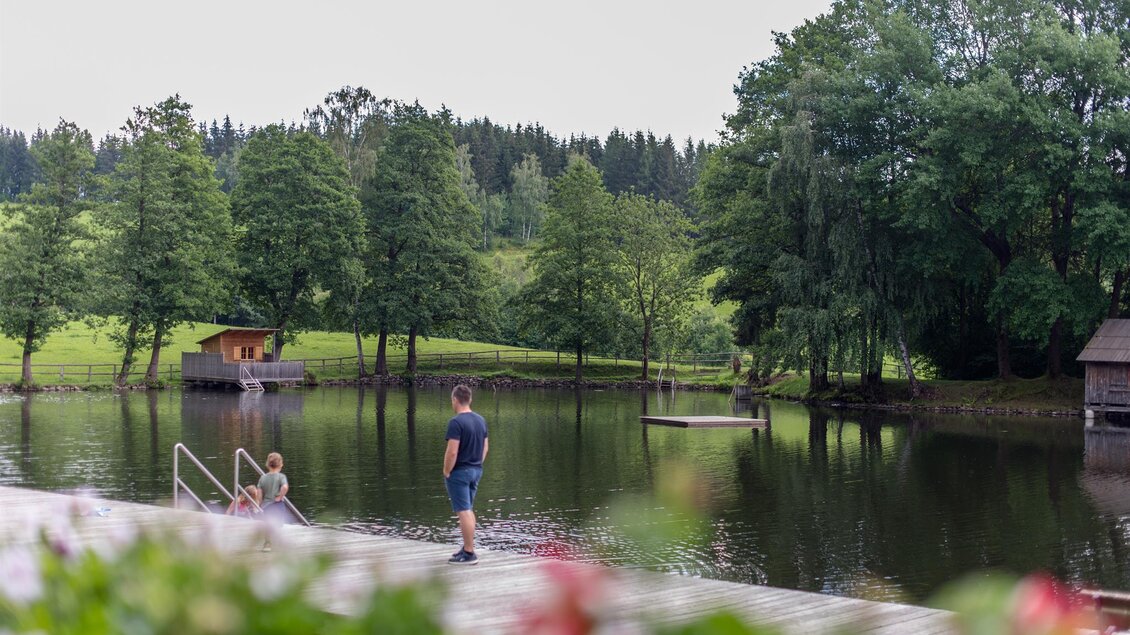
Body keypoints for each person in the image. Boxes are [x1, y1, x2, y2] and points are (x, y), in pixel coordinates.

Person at [444, 384, 489, 565]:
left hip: (460, 472)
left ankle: (469, 552)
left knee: (463, 511)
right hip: (476, 470)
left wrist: (447, 471)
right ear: (469, 399)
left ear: (455, 399)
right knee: (468, 509)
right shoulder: (480, 420)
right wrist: (477, 464)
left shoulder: (456, 422)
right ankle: (467, 547)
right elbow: (485, 447)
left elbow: (452, 452)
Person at [257, 452, 289, 552]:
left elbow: (259, 492)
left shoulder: (263, 478)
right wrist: (280, 496)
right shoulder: (281, 477)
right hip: (278, 504)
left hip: (266, 505)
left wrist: (260, 504)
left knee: (268, 525)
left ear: (268, 464)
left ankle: (267, 544)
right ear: (281, 464)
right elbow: (285, 487)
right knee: (278, 523)